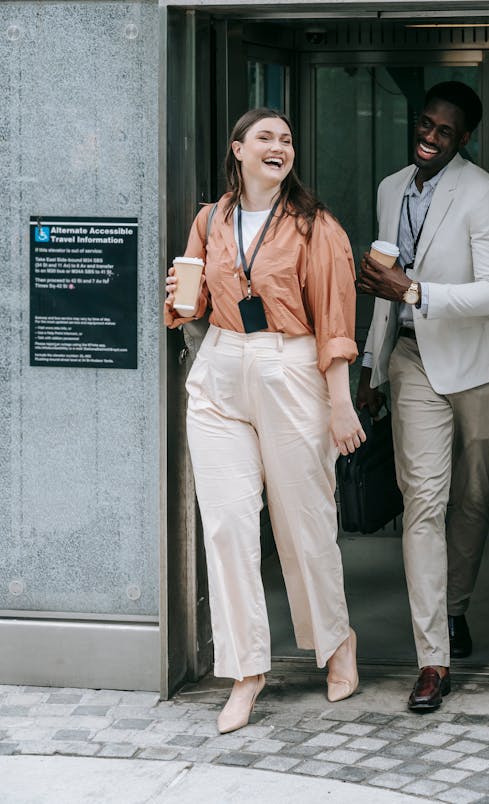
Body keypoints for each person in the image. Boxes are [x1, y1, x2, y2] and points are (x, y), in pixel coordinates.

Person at [164, 107, 365, 734]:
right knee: (226, 525)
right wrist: (180, 296)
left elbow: (334, 317)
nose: (279, 147)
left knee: (304, 522)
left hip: (291, 366)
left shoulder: (315, 225)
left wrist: (341, 402)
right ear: (238, 150)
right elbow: (192, 304)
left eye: (286, 140)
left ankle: (336, 641)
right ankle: (245, 671)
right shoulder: (210, 219)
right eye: (266, 138)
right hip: (222, 365)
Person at [357, 81, 489, 712]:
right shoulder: (389, 188)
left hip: (476, 365)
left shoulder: (484, 194)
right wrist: (370, 365)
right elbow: (383, 285)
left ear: (463, 138)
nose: (429, 137)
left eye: (444, 131)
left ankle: (455, 606)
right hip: (411, 360)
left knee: (471, 500)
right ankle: (433, 659)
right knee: (423, 503)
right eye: (425, 124)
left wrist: (415, 291)